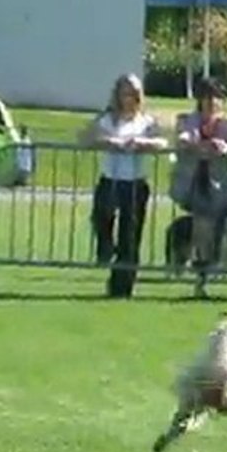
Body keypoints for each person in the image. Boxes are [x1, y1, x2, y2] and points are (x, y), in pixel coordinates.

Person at [81, 73, 168, 298]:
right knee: (102, 218)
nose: (128, 97)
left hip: (135, 183)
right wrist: (109, 142)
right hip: (110, 179)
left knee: (130, 237)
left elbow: (162, 142)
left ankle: (122, 286)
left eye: (133, 93)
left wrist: (143, 143)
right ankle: (105, 248)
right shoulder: (108, 119)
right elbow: (85, 138)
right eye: (125, 92)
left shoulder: (146, 121)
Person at [170, 77, 227, 298]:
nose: (212, 102)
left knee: (226, 229)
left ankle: (199, 258)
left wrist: (226, 147)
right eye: (207, 97)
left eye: (217, 97)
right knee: (203, 228)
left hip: (221, 187)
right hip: (195, 185)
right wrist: (197, 144)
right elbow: (182, 138)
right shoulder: (188, 120)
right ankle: (201, 279)